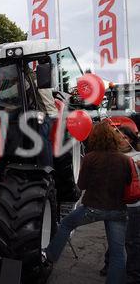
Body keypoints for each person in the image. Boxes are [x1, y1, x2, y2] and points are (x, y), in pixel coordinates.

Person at [43, 121, 132, 284]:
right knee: (118, 252)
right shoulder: (125, 160)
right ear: (113, 138)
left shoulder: (91, 158)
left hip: (93, 207)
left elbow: (81, 185)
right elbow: (129, 183)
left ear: (95, 138)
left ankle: (50, 255)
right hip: (118, 210)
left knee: (66, 225)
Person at [100, 126, 140, 283]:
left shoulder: (137, 156)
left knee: (133, 241)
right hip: (113, 205)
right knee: (114, 238)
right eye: (118, 137)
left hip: (134, 206)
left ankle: (133, 274)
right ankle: (109, 264)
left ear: (130, 140)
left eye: (124, 137)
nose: (121, 140)